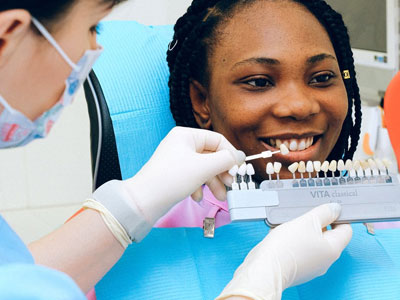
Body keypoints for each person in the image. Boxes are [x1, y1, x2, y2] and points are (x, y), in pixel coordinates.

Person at [0, 0, 351, 299]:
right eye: (93, 27)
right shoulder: (154, 246)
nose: (298, 106)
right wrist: (262, 279)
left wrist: (128, 206)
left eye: (322, 77)